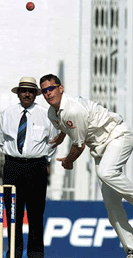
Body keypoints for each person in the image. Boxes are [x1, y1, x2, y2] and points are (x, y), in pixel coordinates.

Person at [39, 74, 133, 258]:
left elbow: (79, 145)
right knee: (111, 205)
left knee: (106, 172)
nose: (48, 93)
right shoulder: (52, 112)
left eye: (51, 88)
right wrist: (58, 138)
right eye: (44, 91)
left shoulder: (73, 109)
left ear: (61, 88)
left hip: (117, 136)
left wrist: (68, 161)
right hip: (100, 148)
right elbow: (65, 127)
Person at [0, 77, 56, 258]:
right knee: (12, 214)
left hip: (36, 167)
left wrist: (44, 161)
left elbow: (53, 142)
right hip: (12, 166)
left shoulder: (45, 114)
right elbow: (2, 141)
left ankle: (36, 254)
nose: (26, 94)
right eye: (23, 90)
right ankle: (14, 254)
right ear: (18, 93)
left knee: (35, 214)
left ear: (35, 94)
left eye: (31, 91)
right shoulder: (7, 113)